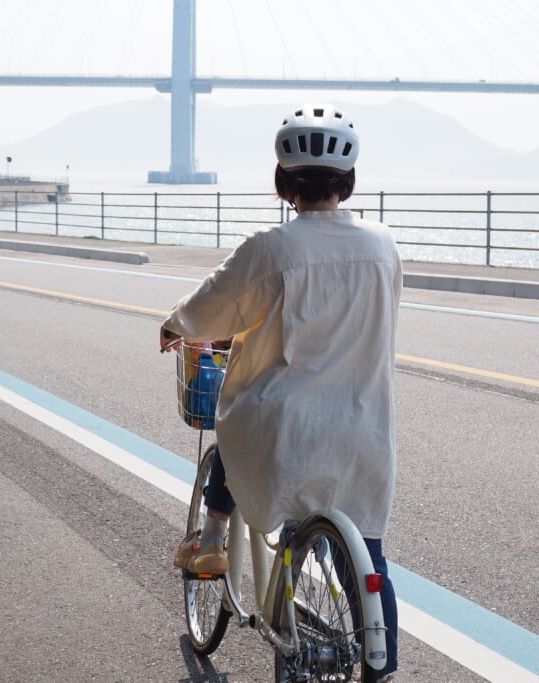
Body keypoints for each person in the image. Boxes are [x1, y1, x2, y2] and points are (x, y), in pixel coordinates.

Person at [161, 104, 401, 680]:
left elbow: (215, 303)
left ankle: (214, 538)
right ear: (349, 182)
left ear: (282, 182)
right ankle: (382, 661)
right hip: (364, 435)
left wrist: (176, 325)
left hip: (285, 434)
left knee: (233, 425)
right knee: (368, 561)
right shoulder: (382, 246)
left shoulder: (273, 248)